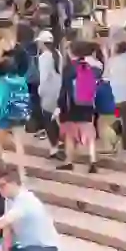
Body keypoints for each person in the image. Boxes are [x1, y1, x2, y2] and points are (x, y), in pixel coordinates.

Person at [56, 40, 99, 173]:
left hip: (72, 105)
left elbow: (65, 89)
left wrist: (60, 105)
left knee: (70, 133)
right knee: (89, 131)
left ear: (71, 52)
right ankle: (93, 161)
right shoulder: (89, 66)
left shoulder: (69, 68)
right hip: (87, 103)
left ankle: (69, 161)